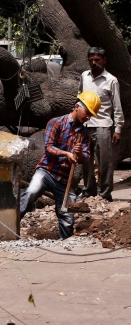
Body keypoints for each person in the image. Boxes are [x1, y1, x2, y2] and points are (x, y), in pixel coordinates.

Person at [20, 91, 101, 239]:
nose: (88, 117)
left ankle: (66, 242)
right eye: (87, 112)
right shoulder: (56, 123)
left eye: (91, 115)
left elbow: (86, 158)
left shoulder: (84, 134)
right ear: (77, 107)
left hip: (64, 179)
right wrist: (67, 154)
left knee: (67, 215)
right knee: (31, 192)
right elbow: (49, 148)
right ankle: (8, 227)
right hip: (47, 171)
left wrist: (80, 154)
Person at [78, 47, 124, 202]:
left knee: (104, 162)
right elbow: (80, 97)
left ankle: (104, 194)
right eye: (91, 59)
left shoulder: (111, 80)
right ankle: (89, 192)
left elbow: (117, 106)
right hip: (85, 125)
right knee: (86, 161)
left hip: (103, 125)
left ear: (104, 60)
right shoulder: (84, 76)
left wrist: (118, 129)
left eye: (97, 60)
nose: (94, 62)